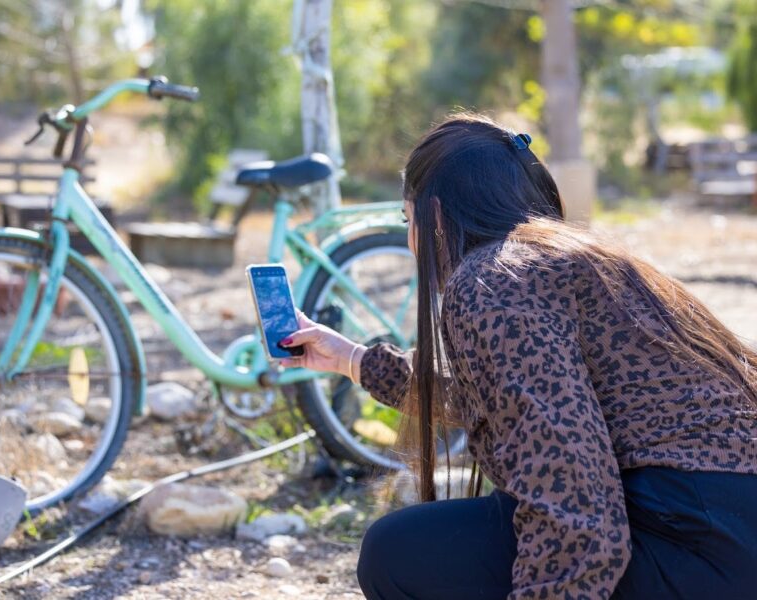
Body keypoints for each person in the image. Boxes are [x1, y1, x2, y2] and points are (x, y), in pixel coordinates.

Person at [276, 113, 757, 599]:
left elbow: (576, 507)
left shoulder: (492, 282)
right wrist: (349, 358)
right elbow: (503, 405)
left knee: (399, 554)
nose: (410, 236)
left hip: (702, 544)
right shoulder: (561, 260)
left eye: (408, 219)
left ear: (436, 216)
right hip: (724, 529)